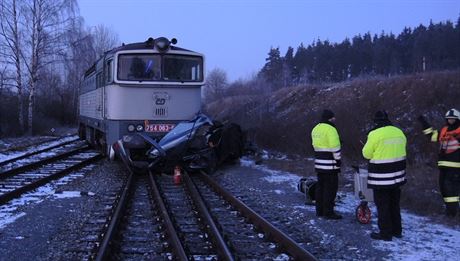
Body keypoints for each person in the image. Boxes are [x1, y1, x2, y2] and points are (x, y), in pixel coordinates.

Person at [362, 111, 407, 241]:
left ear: (375, 121)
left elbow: (366, 154)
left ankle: (385, 233)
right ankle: (397, 231)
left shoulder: (374, 134)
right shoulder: (399, 132)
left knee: (383, 206)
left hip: (381, 178)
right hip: (398, 176)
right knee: (394, 204)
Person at [418, 108, 460, 218]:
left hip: (456, 166)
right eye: (449, 119)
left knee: (452, 190)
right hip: (443, 166)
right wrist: (424, 122)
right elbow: (432, 136)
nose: (451, 120)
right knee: (444, 189)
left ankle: (452, 213)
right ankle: (450, 211)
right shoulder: (444, 130)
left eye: (453, 119)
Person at [311, 109, 342, 220]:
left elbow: (315, 146)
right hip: (330, 165)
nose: (335, 119)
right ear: (330, 118)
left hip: (319, 164)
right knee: (330, 189)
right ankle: (328, 212)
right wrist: (338, 160)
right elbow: (335, 147)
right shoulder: (331, 129)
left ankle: (319, 211)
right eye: (334, 117)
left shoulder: (315, 128)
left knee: (320, 187)